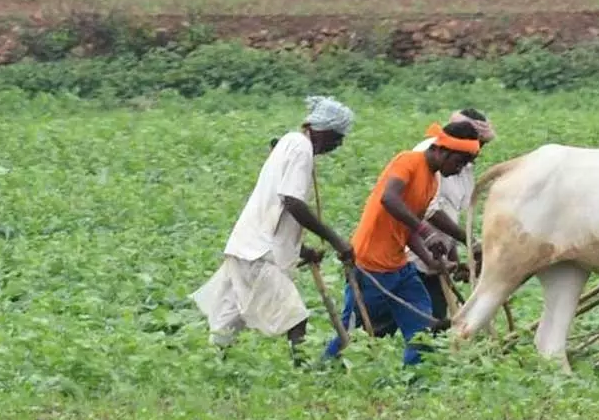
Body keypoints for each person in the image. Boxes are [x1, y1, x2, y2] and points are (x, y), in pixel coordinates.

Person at [192, 96, 355, 364]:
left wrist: (303, 250)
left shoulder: (290, 143)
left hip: (248, 243)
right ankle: (302, 373)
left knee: (228, 320)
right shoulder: (301, 148)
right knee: (296, 317)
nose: (338, 145)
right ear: (322, 130)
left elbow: (275, 210)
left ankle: (215, 368)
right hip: (258, 251)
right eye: (337, 137)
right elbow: (292, 202)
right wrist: (337, 241)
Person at [324, 119, 482, 366]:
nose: (459, 169)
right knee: (353, 331)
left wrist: (430, 258)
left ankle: (416, 381)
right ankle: (324, 369)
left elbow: (408, 228)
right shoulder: (408, 161)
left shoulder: (432, 181)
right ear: (441, 150)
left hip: (399, 266)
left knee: (422, 328)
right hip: (369, 264)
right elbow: (389, 199)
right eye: (458, 162)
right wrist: (426, 231)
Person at [363, 109, 495, 336]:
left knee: (429, 322)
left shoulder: (461, 166)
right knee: (397, 320)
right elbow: (426, 212)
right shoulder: (425, 160)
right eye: (475, 144)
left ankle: (417, 360)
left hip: (434, 255)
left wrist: (454, 258)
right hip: (412, 254)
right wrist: (463, 240)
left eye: (479, 147)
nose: (476, 152)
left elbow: (452, 212)